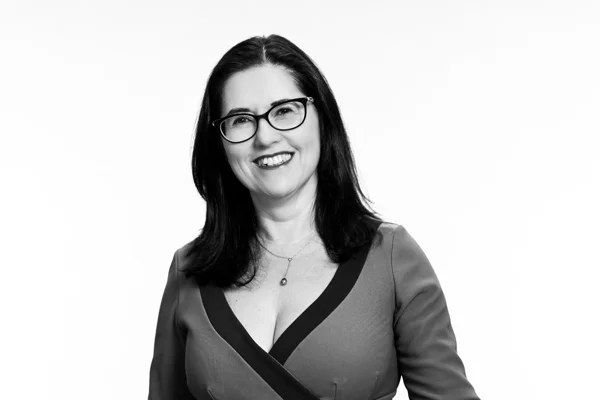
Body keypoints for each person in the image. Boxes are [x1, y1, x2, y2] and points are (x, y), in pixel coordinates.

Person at [148, 34, 480, 400]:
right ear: (220, 142)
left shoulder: (390, 257)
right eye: (241, 120)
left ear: (322, 118)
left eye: (284, 111)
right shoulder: (188, 272)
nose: (265, 137)